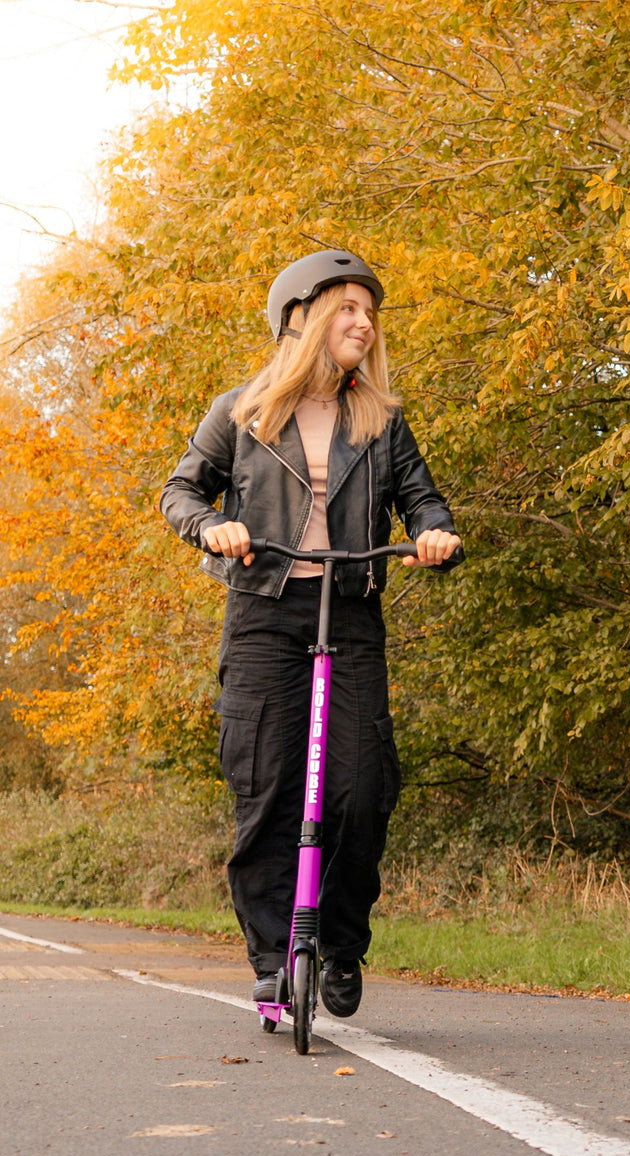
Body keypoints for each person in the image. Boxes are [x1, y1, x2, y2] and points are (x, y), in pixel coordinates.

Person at [161, 249, 462, 1017]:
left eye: (370, 312)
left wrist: (435, 535)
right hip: (265, 609)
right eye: (348, 309)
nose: (364, 323)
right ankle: (272, 957)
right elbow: (180, 491)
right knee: (266, 786)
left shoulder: (382, 423)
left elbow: (424, 502)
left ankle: (339, 941)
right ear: (302, 318)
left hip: (351, 608)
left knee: (361, 791)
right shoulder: (242, 411)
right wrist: (213, 528)